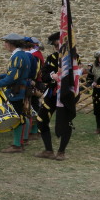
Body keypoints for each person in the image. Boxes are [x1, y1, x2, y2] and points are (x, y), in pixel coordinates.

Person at [0, 33, 31, 153]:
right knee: (20, 116)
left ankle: (17, 145)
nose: (4, 44)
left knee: (16, 117)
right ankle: (19, 143)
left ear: (11, 43)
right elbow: (14, 74)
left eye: (6, 42)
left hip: (16, 91)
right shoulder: (22, 55)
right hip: (19, 89)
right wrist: (0, 76)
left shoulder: (17, 57)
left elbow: (13, 78)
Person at [34, 32, 74, 161]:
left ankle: (61, 152)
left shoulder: (73, 58)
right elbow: (44, 75)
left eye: (59, 45)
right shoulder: (51, 58)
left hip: (66, 95)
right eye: (55, 46)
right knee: (41, 120)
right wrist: (53, 76)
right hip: (52, 94)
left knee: (66, 123)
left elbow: (76, 77)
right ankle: (48, 150)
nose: (57, 48)